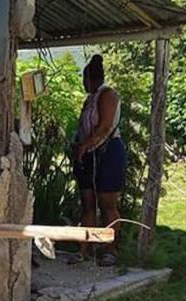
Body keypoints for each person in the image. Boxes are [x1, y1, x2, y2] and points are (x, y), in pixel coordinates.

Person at [68, 54, 127, 267]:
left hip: (108, 152)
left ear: (91, 78)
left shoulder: (107, 95)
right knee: (87, 202)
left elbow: (104, 127)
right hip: (88, 154)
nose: (83, 84)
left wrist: (86, 144)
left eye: (84, 79)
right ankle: (85, 248)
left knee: (107, 203)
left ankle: (110, 249)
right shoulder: (89, 99)